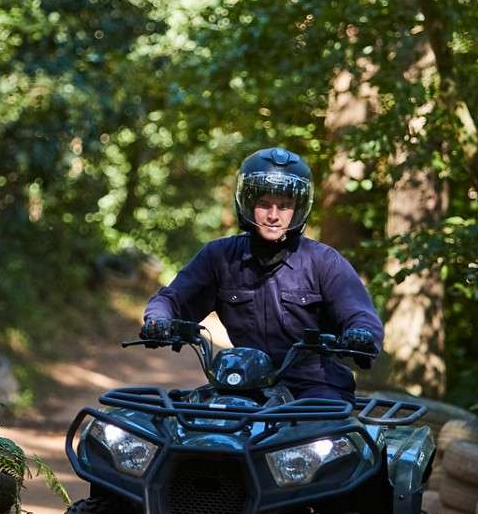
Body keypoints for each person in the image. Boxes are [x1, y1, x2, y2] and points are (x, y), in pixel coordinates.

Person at [141, 146, 382, 402]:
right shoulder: (220, 256)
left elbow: (361, 315)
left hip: (314, 386)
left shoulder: (323, 261)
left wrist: (361, 336)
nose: (273, 216)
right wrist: (158, 320)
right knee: (201, 420)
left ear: (299, 209)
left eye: (284, 206)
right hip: (244, 381)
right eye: (264, 204)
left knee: (322, 423)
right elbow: (172, 299)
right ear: (246, 203)